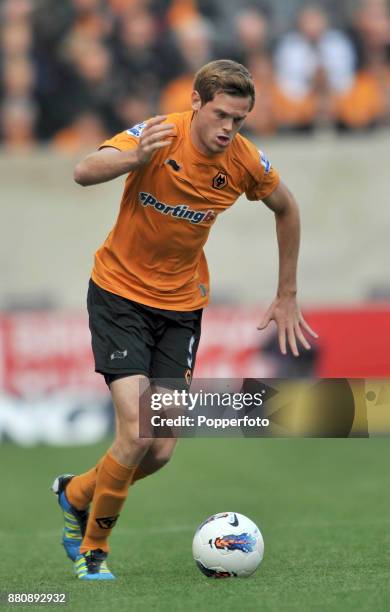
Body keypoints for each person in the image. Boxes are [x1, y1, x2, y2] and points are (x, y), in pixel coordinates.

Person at [51, 59, 317, 580]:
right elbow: (83, 171)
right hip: (119, 294)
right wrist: (132, 160)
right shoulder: (157, 135)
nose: (227, 128)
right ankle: (93, 552)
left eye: (238, 120)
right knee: (136, 430)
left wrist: (287, 293)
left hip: (180, 308)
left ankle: (75, 493)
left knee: (161, 448)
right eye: (220, 114)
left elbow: (288, 209)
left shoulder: (244, 162)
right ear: (196, 101)